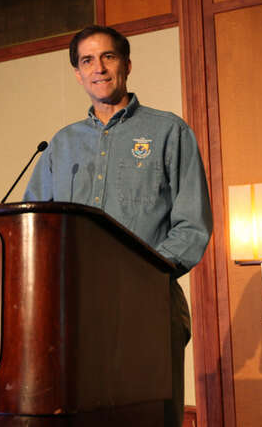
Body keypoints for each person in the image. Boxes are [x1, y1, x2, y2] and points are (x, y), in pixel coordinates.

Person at [24, 25, 212, 427]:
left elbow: (192, 225)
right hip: (75, 314)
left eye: (108, 57)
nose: (99, 68)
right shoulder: (61, 145)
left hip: (149, 305)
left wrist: (140, 275)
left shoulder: (168, 131)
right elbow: (35, 230)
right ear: (77, 73)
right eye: (87, 60)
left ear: (126, 64)